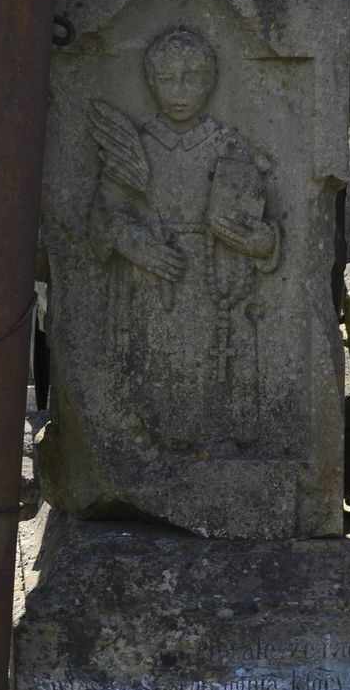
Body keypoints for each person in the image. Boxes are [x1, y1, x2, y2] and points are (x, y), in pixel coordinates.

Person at [86, 26, 280, 448]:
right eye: (168, 79)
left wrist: (259, 242)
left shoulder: (227, 145)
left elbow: (264, 226)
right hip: (149, 289)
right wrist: (134, 243)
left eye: (191, 78)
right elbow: (101, 217)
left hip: (215, 289)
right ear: (152, 82)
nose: (179, 91)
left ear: (210, 82)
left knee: (211, 382)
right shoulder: (139, 147)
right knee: (151, 377)